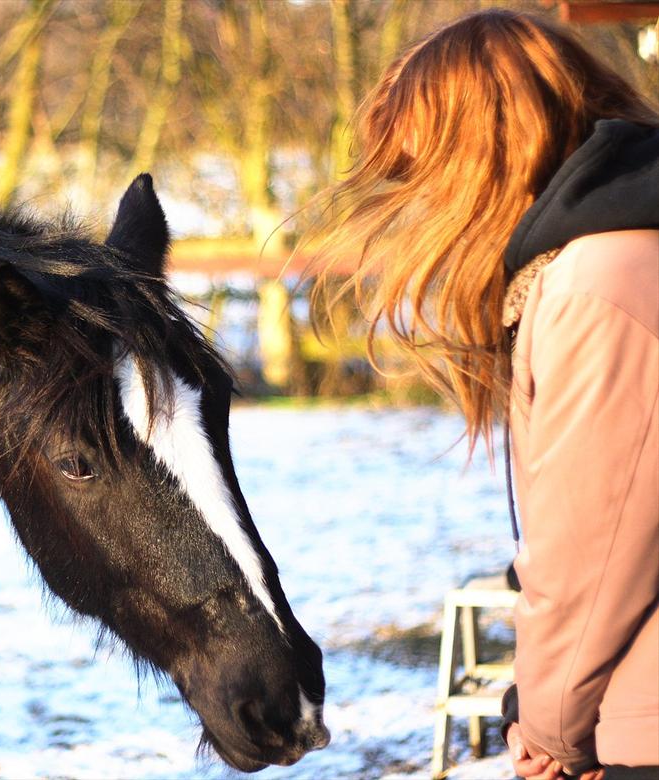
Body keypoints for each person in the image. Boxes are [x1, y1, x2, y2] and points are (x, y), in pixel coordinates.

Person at [308, 9, 658, 780]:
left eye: (428, 173)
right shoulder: (617, 253)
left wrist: (548, 734)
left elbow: (590, 560)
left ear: (487, 157)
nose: (426, 207)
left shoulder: (600, 282)